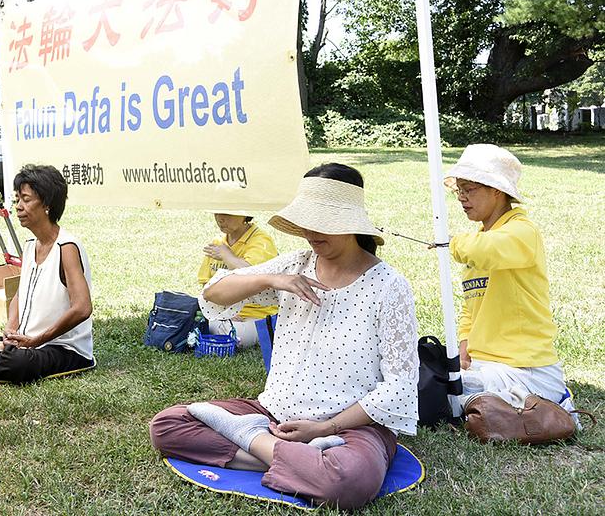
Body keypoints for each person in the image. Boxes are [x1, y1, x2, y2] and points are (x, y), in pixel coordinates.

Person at [149, 164, 419, 510]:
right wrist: (271, 280)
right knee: (168, 425)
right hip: (272, 413)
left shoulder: (389, 287)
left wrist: (325, 428)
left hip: (348, 427)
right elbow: (215, 292)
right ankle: (280, 451)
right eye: (306, 221)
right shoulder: (295, 265)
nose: (310, 232)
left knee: (349, 480)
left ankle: (254, 442)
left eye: (321, 222)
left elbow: (400, 385)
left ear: (350, 223)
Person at [446, 144, 573, 416]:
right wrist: (465, 344)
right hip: (487, 364)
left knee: (438, 394)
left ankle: (550, 399)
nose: (461, 198)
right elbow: (472, 303)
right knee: (432, 382)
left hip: (525, 369)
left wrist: (449, 243)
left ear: (497, 190)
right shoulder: (482, 236)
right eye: (459, 190)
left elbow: (487, 250)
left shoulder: (521, 232)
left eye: (470, 189)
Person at [0, 165, 95, 383]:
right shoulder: (30, 246)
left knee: (16, 364)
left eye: (26, 200)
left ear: (47, 204)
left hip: (63, 348)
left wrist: (36, 340)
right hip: (26, 343)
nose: (18, 207)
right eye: (17, 199)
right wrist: (11, 328)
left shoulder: (67, 247)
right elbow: (20, 295)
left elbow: (82, 308)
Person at [198, 208, 278, 348]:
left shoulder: (261, 241)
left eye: (227, 213)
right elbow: (206, 285)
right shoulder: (218, 243)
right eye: (216, 212)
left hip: (255, 316)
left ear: (244, 213)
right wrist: (224, 311)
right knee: (187, 316)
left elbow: (252, 275)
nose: (220, 218)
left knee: (226, 333)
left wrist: (226, 255)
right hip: (222, 314)